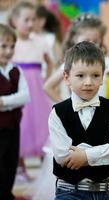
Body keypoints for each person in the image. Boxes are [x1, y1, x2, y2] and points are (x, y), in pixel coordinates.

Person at [49, 41, 109, 200]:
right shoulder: (58, 112)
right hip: (68, 191)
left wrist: (86, 155)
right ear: (66, 77)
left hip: (104, 192)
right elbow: (62, 155)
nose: (88, 82)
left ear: (103, 77)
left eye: (95, 75)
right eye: (80, 76)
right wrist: (106, 151)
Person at [8, 1, 53, 179]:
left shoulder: (40, 42)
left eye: (33, 19)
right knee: (22, 125)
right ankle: (20, 167)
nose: (30, 23)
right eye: (26, 19)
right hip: (18, 89)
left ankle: (44, 168)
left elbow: (49, 62)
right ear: (14, 21)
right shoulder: (10, 43)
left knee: (41, 125)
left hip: (38, 90)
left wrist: (47, 79)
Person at [44, 13, 109, 103]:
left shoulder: (104, 60)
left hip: (99, 113)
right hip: (76, 114)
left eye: (95, 41)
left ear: (101, 41)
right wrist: (64, 107)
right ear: (75, 38)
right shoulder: (71, 61)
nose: (91, 44)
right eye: (86, 40)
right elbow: (48, 87)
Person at [0, 23, 30, 200]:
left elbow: (26, 96)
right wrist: (14, 101)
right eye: (3, 46)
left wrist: (4, 101)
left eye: (12, 46)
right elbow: (19, 98)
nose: (9, 50)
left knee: (10, 162)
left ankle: (7, 194)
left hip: (13, 127)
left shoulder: (16, 70)